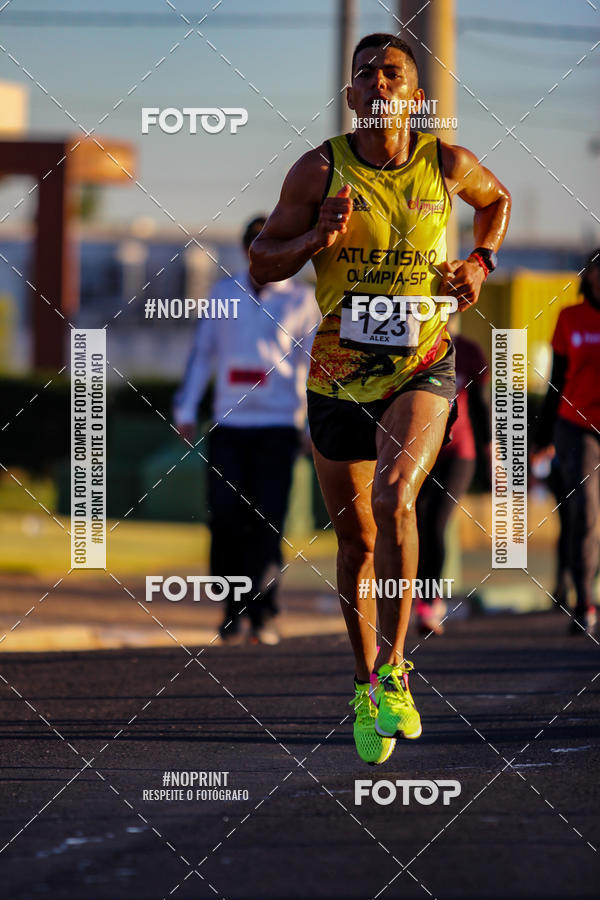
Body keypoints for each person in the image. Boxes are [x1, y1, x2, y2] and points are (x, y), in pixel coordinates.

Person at [249, 33, 510, 764]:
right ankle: (365, 685)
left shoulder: (446, 163)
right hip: (335, 376)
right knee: (358, 541)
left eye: (392, 72)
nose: (377, 82)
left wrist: (479, 264)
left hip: (421, 366)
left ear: (415, 95)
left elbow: (499, 202)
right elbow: (261, 263)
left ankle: (397, 673)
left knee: (399, 499)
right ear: (352, 96)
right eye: (364, 74)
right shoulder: (318, 170)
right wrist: (313, 238)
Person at [173, 216, 319, 645]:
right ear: (246, 250)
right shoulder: (222, 294)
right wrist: (185, 407)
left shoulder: (301, 300)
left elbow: (316, 367)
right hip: (229, 425)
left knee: (267, 522)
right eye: (257, 245)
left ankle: (265, 613)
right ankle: (231, 611)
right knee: (225, 519)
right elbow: (202, 356)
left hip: (278, 426)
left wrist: (312, 424)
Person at [532, 249, 600, 636]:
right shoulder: (569, 318)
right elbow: (555, 380)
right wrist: (543, 437)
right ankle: (584, 599)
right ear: (589, 274)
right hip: (576, 426)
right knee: (585, 512)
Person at [415, 325, 491, 635]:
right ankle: (413, 599)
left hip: (460, 452)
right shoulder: (418, 346)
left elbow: (481, 405)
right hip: (420, 449)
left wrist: (491, 454)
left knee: (435, 524)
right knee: (415, 523)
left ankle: (430, 602)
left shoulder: (470, 352)